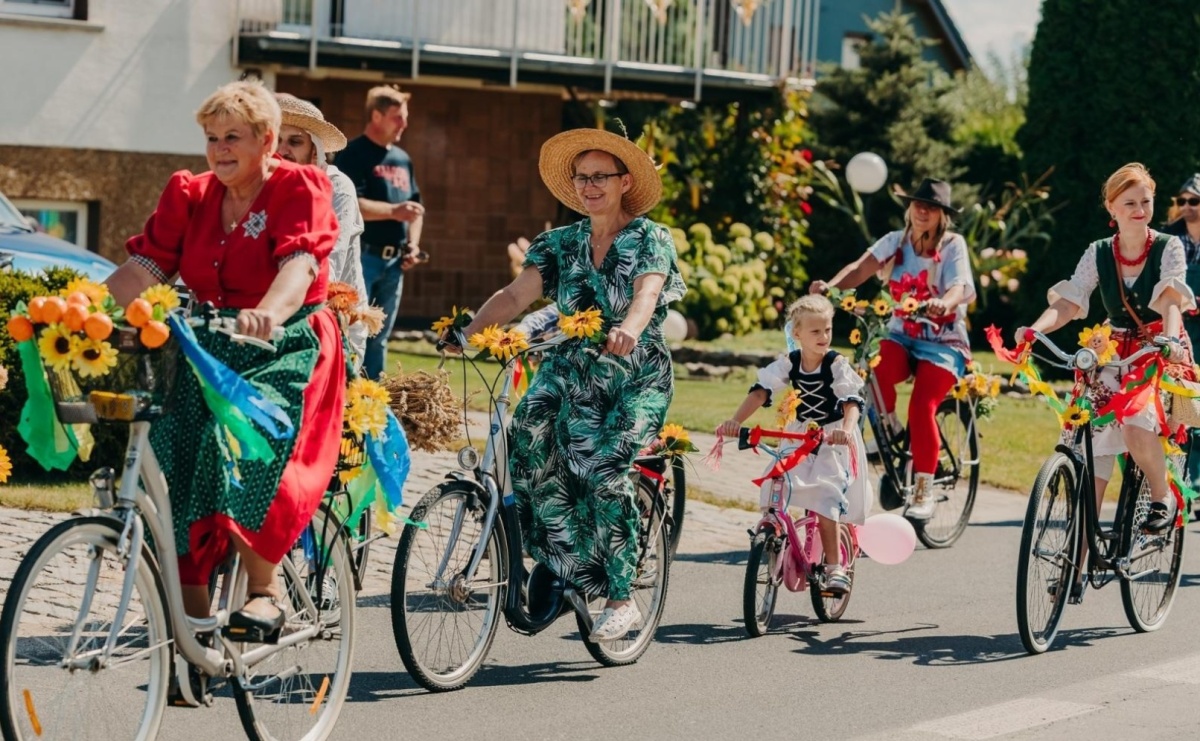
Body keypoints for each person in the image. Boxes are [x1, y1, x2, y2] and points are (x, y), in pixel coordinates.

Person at [105, 79, 346, 643]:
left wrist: (266, 313)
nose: (219, 150)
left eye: (233, 137)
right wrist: (76, 310)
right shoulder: (190, 193)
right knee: (168, 454)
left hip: (285, 341)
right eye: (212, 138)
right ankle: (189, 630)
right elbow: (144, 271)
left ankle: (266, 591)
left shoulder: (299, 186)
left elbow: (300, 265)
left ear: (267, 140)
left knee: (235, 439)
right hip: (208, 342)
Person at [450, 127, 685, 641]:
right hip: (571, 366)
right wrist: (467, 333)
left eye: (601, 177)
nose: (589, 186)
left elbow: (647, 293)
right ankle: (558, 563)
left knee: (600, 467)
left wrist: (630, 327)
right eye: (582, 178)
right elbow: (516, 296)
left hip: (633, 372)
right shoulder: (561, 243)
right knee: (526, 440)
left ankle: (621, 598)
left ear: (625, 182)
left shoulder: (650, 238)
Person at [1019, 162, 1195, 533]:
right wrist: (1033, 331)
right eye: (1129, 203)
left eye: (1145, 202)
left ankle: (1161, 497)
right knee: (1087, 442)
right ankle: (1076, 567)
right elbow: (1069, 303)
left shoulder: (1169, 246)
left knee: (1134, 420)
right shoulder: (1099, 251)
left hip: (1157, 348)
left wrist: (1171, 340)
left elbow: (1170, 302)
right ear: (1111, 208)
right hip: (1113, 351)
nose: (1139, 211)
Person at [810, 178, 976, 519]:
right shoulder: (895, 242)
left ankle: (923, 491)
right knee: (874, 368)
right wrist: (829, 288)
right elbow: (860, 269)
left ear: (943, 214)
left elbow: (959, 286)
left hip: (943, 342)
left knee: (923, 405)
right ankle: (894, 428)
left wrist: (944, 303)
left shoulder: (952, 245)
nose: (922, 211)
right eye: (917, 204)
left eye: (930, 207)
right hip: (900, 334)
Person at [717, 295, 870, 594]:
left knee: (826, 497)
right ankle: (776, 537)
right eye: (815, 332)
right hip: (800, 433)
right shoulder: (791, 362)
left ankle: (834, 567)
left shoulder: (836, 364)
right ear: (796, 333)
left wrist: (847, 430)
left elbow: (851, 400)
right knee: (777, 481)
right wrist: (735, 421)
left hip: (831, 435)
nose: (824, 337)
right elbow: (761, 392)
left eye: (827, 330)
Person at [334, 85, 425, 379]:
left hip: (394, 263)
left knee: (380, 337)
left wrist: (413, 244)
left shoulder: (402, 158)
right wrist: (393, 211)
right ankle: (346, 397)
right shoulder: (352, 154)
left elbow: (416, 209)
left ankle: (372, 403)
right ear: (376, 115)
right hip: (362, 258)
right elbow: (351, 204)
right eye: (398, 117)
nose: (404, 124)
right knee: (352, 328)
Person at [274, 92, 370, 367]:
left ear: (314, 150)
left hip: (333, 317)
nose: (283, 150)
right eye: (277, 140)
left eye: (295, 141)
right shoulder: (259, 184)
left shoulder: (338, 187)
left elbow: (330, 263)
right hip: (270, 315)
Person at [1161, 174, 1200, 502]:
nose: (1186, 207)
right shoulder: (1171, 239)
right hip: (1181, 335)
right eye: (1182, 201)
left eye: (1195, 201)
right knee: (1183, 405)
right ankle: (1183, 483)